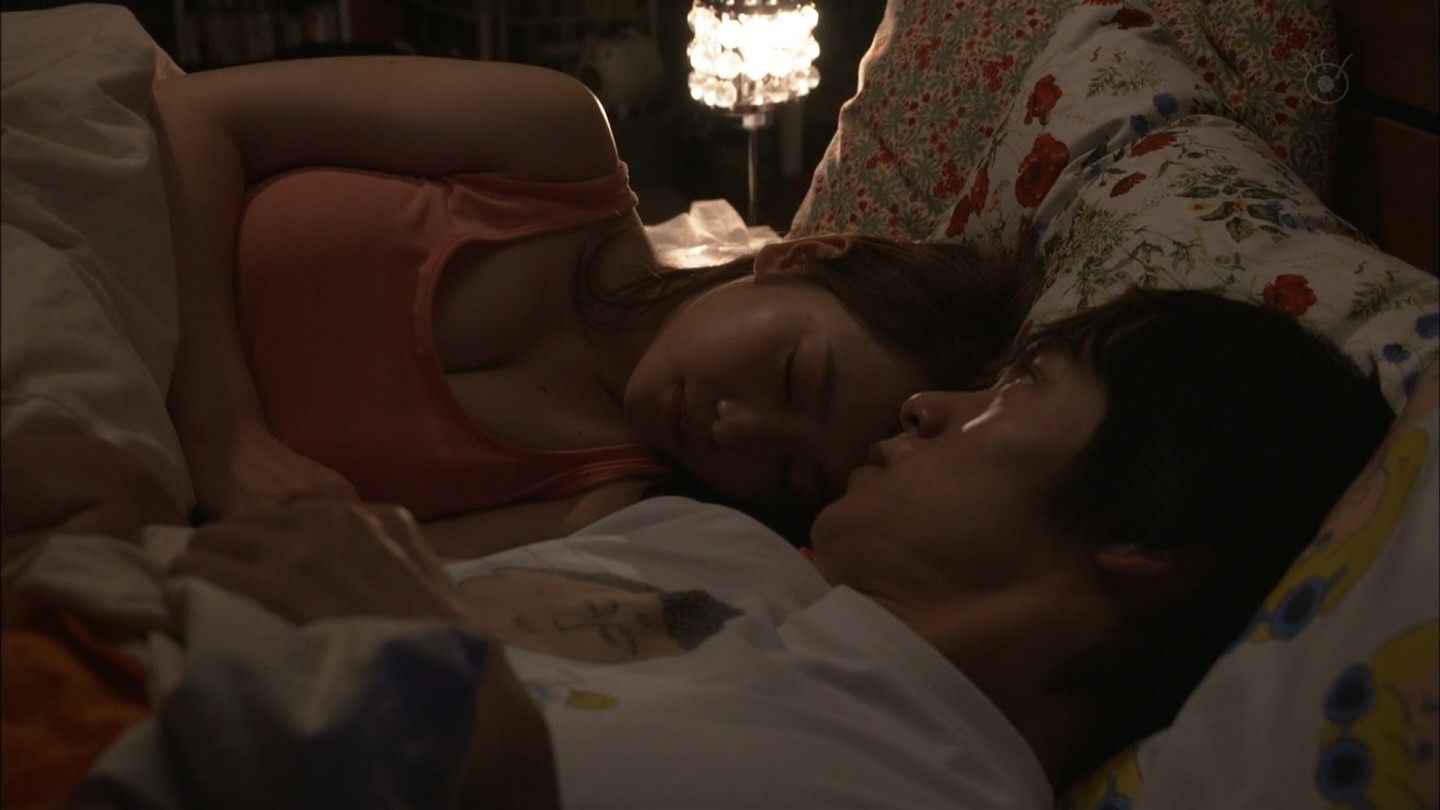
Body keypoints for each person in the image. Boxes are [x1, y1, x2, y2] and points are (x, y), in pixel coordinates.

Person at [132, 287, 1396, 807]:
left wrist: (475, 754)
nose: (928, 405)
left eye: (1024, 386)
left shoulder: (913, 786)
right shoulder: (705, 534)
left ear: (1154, 532)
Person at [151, 56, 1036, 553]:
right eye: (792, 375)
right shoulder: (554, 145)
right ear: (801, 255)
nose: (733, 429)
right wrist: (225, 434)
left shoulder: (608, 510)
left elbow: (302, 562)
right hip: (113, 222)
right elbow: (191, 113)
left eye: (784, 472)